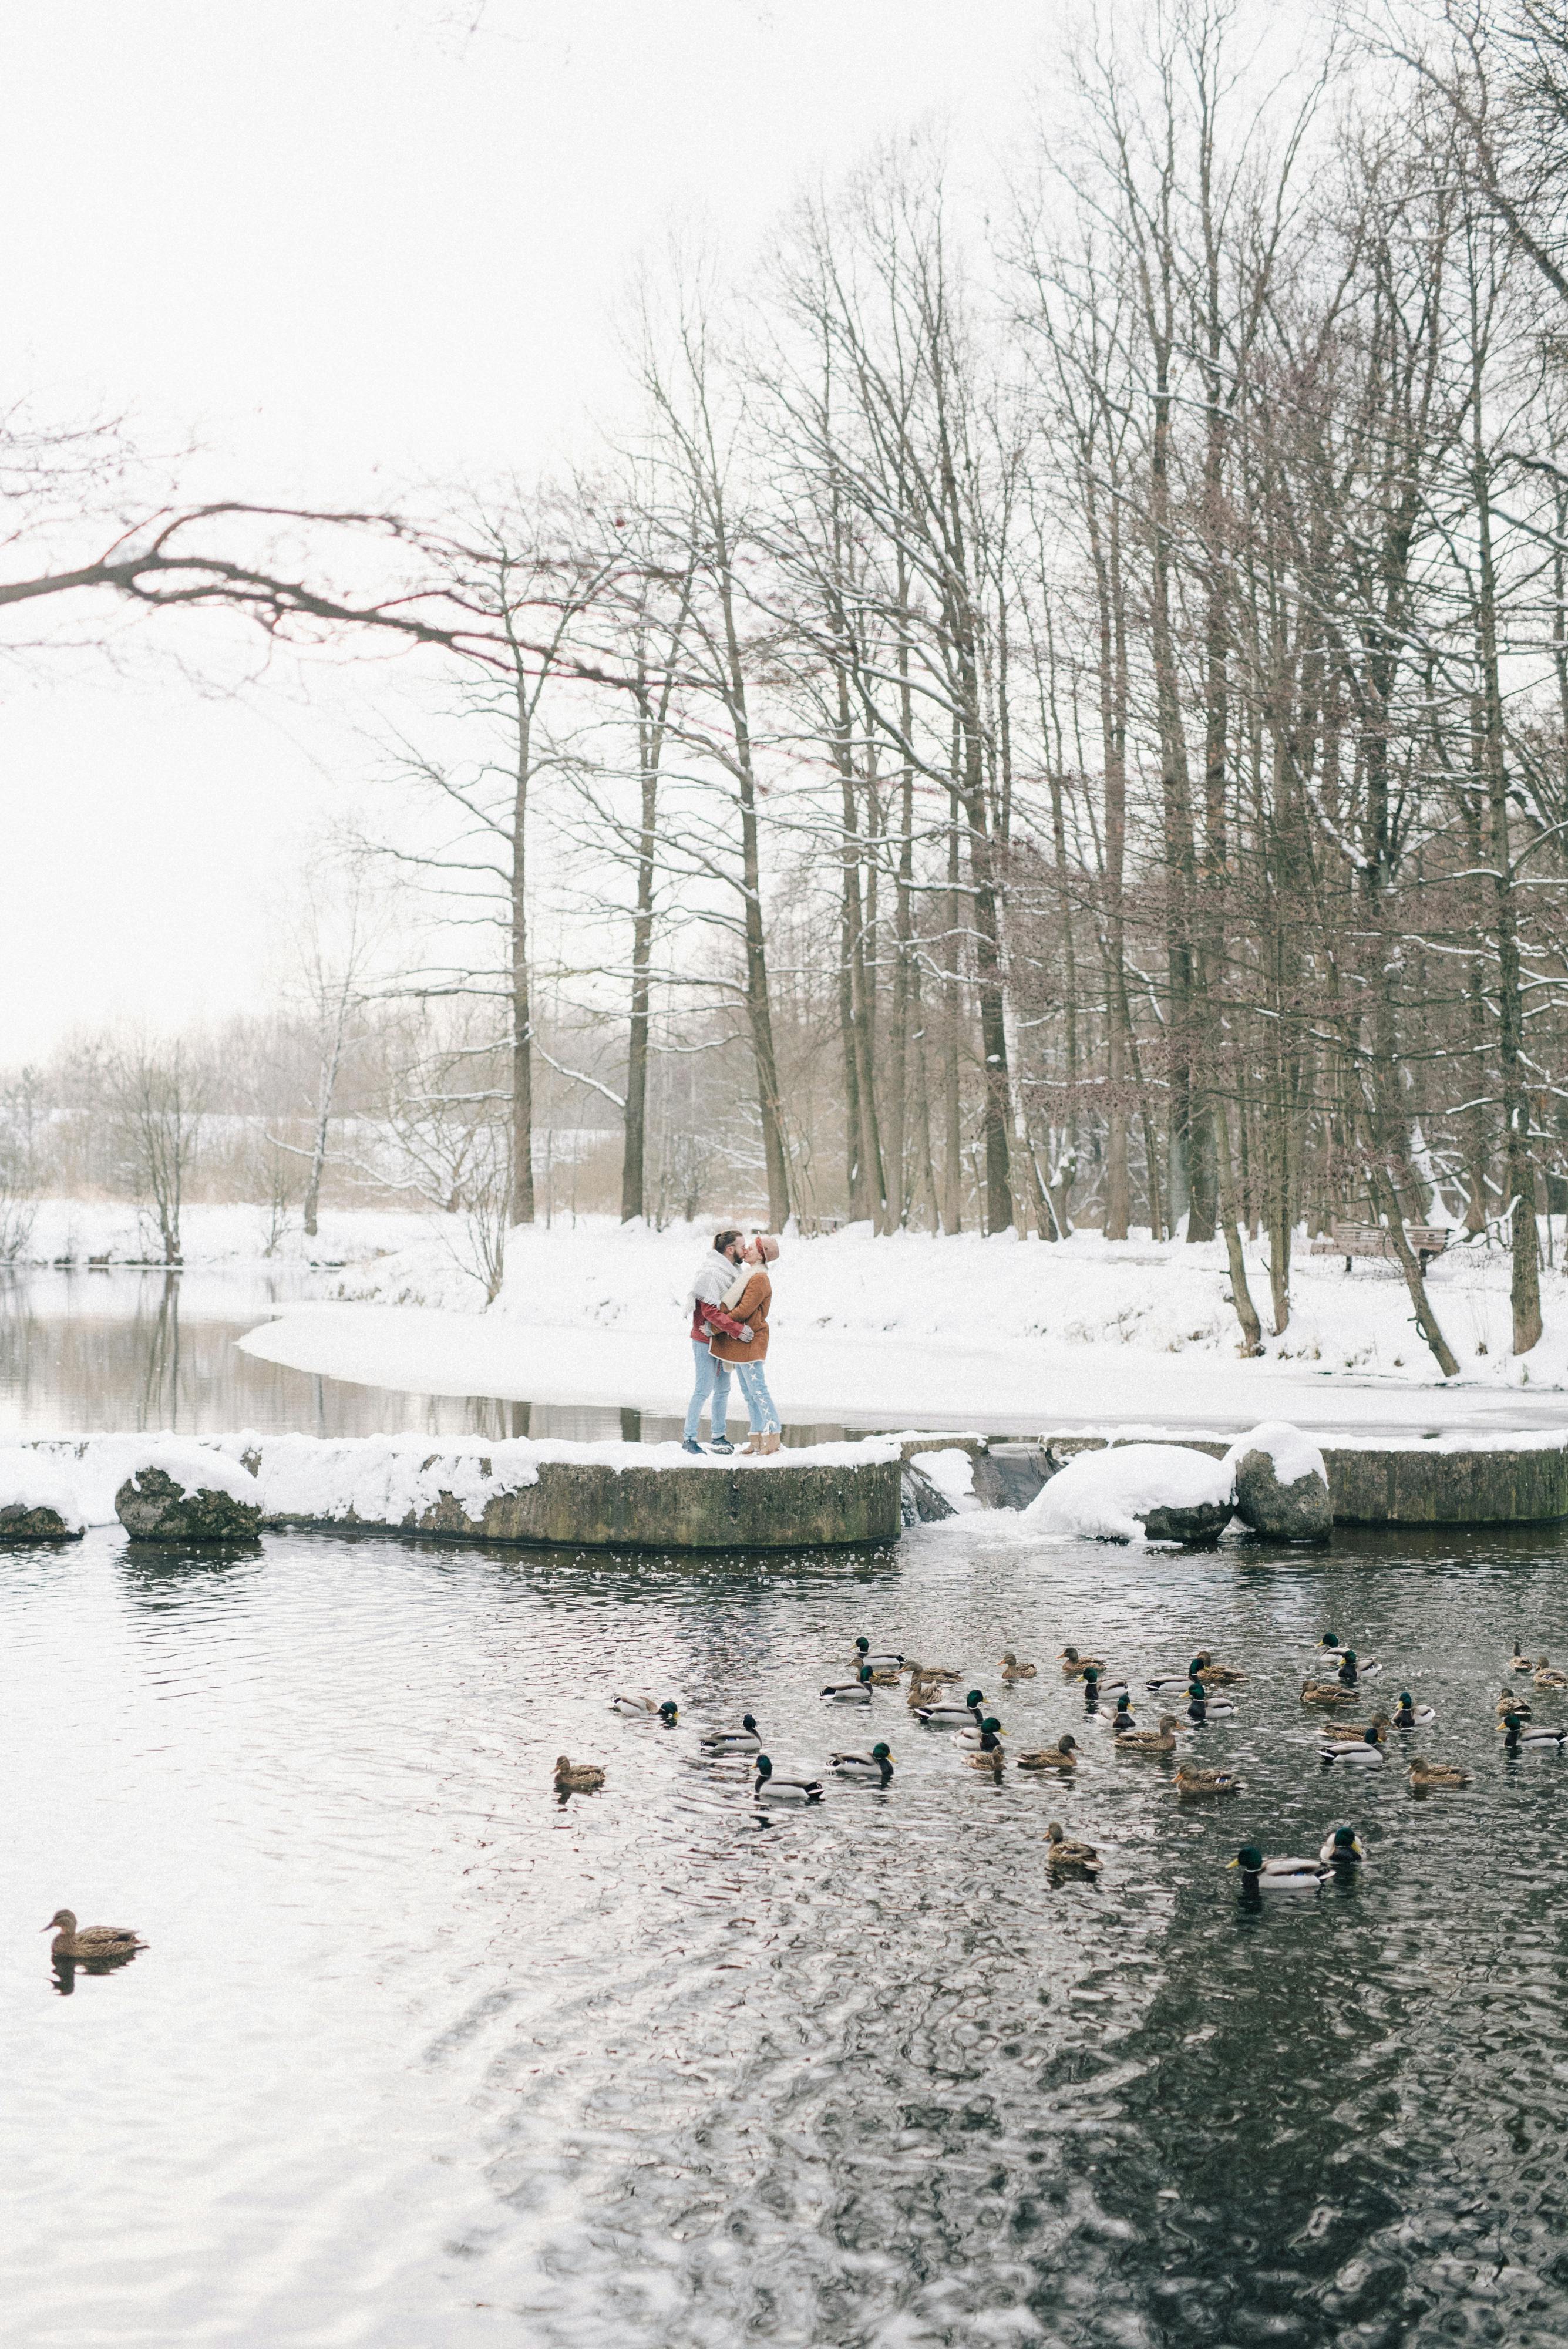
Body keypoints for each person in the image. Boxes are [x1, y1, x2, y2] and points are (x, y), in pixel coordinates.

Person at [708, 1234, 781, 1455]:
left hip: (752, 1340)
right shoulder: (748, 1275)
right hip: (741, 1343)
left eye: (751, 1248)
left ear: (761, 1255)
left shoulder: (759, 1279)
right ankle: (757, 1440)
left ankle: (773, 1437)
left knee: (759, 1391)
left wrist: (717, 1326)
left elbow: (743, 1311)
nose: (746, 1250)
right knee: (750, 1394)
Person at [682, 1229, 751, 1454]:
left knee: (723, 1390)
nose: (746, 1250)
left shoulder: (734, 1272)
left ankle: (718, 1437)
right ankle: (689, 1439)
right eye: (743, 1246)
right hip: (704, 1338)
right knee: (703, 1389)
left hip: (723, 1338)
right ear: (730, 1249)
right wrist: (738, 1330)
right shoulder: (711, 1273)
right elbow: (709, 1312)